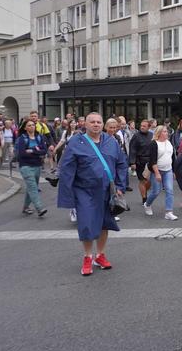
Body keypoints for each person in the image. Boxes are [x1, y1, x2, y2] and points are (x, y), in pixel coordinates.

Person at [58, 112, 128, 276]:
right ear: (86, 124)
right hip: (85, 191)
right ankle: (88, 256)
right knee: (87, 223)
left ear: (102, 124)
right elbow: (67, 169)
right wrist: (68, 194)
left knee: (105, 223)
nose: (96, 124)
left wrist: (120, 185)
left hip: (107, 191)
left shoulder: (111, 141)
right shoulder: (76, 142)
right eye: (92, 122)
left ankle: (100, 255)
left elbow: (121, 164)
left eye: (98, 122)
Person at [144, 125, 178, 221]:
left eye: (166, 131)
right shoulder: (154, 144)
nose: (166, 133)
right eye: (164, 131)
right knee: (156, 191)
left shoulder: (169, 143)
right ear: (159, 133)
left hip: (168, 170)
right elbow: (152, 160)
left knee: (170, 190)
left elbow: (173, 158)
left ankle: (169, 212)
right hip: (157, 170)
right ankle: (147, 204)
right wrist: (157, 173)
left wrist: (174, 171)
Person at [16, 119, 48, 217]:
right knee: (33, 188)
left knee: (31, 187)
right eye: (29, 125)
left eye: (33, 125)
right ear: (25, 128)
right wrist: (37, 151)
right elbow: (22, 154)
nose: (31, 127)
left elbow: (44, 151)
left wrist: (32, 151)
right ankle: (39, 208)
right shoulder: (22, 139)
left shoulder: (39, 137)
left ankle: (26, 207)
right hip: (25, 166)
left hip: (37, 166)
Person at [54, 119, 82, 222]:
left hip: (81, 176)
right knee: (73, 193)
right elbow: (61, 163)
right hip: (71, 175)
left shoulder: (85, 149)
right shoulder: (68, 149)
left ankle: (80, 211)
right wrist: (58, 175)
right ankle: (73, 210)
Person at [129, 119, 153, 205]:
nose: (142, 127)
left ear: (149, 127)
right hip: (140, 161)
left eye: (144, 126)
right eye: (141, 126)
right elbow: (132, 149)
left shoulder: (152, 135)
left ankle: (145, 193)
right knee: (143, 180)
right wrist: (132, 162)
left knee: (149, 182)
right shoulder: (136, 136)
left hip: (150, 161)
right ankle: (144, 199)